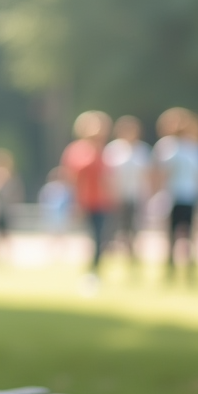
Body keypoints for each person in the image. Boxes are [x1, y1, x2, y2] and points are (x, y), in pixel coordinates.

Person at [153, 108, 198, 282]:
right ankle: (172, 270)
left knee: (188, 236)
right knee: (174, 237)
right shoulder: (169, 146)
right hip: (174, 197)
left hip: (188, 196)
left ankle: (189, 271)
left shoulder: (194, 148)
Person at [61, 111, 113, 281]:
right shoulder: (77, 150)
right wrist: (74, 202)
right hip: (83, 202)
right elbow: (71, 178)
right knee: (85, 238)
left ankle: (95, 269)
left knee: (100, 238)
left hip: (101, 202)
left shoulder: (104, 151)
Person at [102, 115, 151, 270]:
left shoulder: (142, 150)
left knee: (133, 229)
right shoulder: (112, 149)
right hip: (116, 196)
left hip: (135, 196)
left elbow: (148, 175)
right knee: (113, 229)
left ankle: (132, 257)